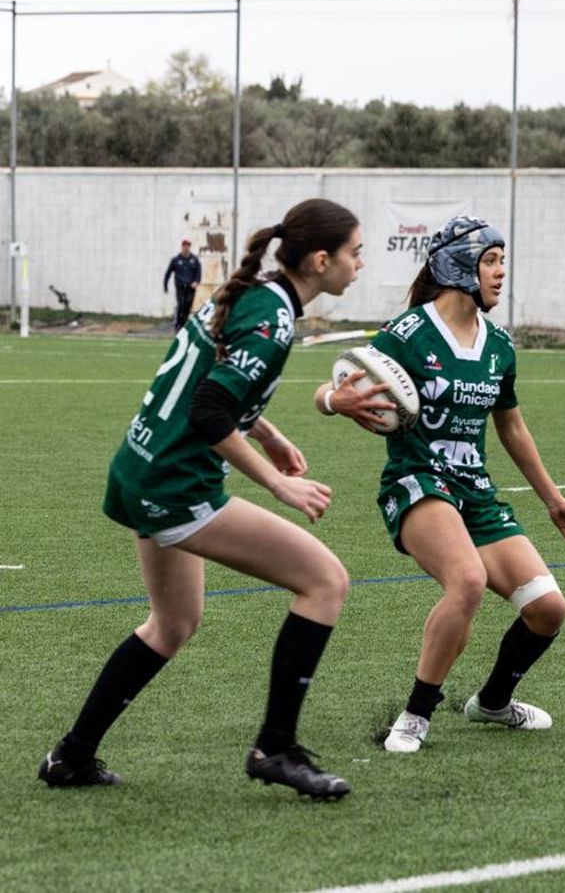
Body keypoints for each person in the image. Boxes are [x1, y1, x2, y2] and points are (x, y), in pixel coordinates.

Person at [40, 198, 388, 801]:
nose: (361, 263)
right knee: (325, 581)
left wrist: (269, 431)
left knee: (173, 623)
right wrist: (276, 483)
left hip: (139, 465)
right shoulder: (275, 318)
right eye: (356, 252)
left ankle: (71, 756)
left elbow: (208, 382)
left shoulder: (256, 294)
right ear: (321, 259)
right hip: (173, 483)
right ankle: (274, 747)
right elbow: (209, 410)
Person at [315, 216, 565, 754]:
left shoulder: (499, 346)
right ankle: (416, 715)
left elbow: (510, 424)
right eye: (490, 260)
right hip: (417, 482)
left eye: (501, 261)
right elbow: (329, 389)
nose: (500, 272)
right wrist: (335, 401)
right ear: (457, 265)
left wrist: (553, 498)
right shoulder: (406, 334)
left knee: (548, 609)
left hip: (475, 493)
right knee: (466, 581)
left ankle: (491, 703)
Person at [163, 239, 204, 333]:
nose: (186, 248)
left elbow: (198, 272)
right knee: (181, 304)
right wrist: (165, 285)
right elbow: (168, 273)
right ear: (182, 247)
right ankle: (178, 325)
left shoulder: (194, 260)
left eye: (188, 246)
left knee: (187, 306)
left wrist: (196, 281)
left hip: (190, 287)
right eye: (185, 246)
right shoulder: (176, 260)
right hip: (180, 287)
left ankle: (184, 325)